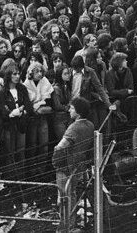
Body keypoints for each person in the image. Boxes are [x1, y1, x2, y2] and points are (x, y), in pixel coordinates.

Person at [52, 97, 94, 227]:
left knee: (65, 198)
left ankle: (65, 227)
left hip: (66, 168)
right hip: (79, 166)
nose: (69, 110)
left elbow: (60, 147)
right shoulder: (90, 125)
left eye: (72, 108)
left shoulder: (73, 128)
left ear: (78, 112)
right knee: (72, 195)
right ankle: (71, 223)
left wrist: (56, 163)